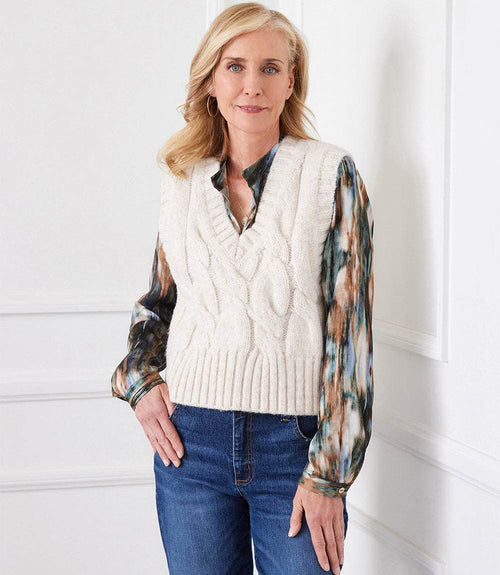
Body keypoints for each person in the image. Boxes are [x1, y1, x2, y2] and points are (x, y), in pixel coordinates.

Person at [110, 3, 374, 574]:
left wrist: (329, 475)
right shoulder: (181, 179)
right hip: (191, 444)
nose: (252, 84)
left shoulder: (331, 174)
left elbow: (350, 335)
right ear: (211, 79)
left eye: (270, 68)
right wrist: (139, 381)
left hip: (294, 448)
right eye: (235, 66)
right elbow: (158, 304)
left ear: (291, 81)